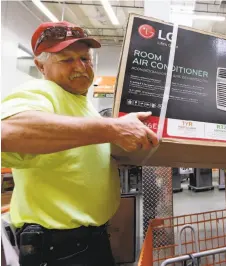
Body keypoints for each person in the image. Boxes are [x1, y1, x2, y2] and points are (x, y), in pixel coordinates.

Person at [1, 21, 158, 266]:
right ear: (40, 66)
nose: (80, 67)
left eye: (85, 58)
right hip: (58, 248)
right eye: (66, 60)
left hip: (89, 241)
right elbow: (7, 133)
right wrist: (113, 128)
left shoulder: (83, 105)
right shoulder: (41, 92)